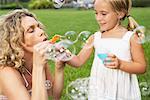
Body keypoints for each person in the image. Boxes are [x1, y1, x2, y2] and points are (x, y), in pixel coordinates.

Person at [66, 0, 147, 99]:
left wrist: (121, 64)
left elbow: (141, 67)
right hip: (100, 90)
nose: (98, 18)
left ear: (120, 14)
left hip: (122, 91)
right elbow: (78, 61)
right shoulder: (95, 37)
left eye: (103, 14)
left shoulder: (130, 38)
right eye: (96, 13)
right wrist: (64, 55)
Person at [0, 9, 65, 100]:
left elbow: (53, 96)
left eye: (39, 27)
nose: (41, 32)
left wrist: (59, 68)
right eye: (31, 30)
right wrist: (38, 67)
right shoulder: (7, 72)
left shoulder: (40, 62)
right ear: (16, 42)